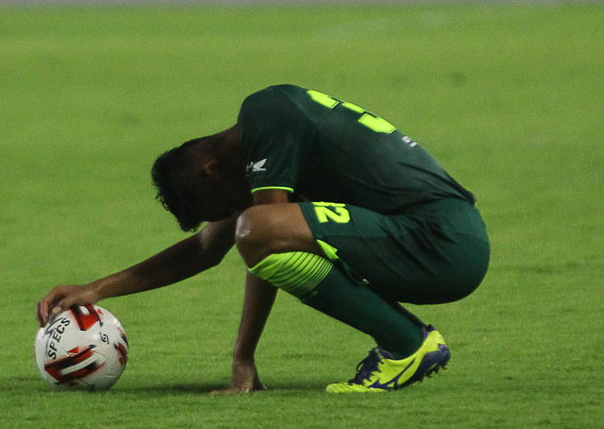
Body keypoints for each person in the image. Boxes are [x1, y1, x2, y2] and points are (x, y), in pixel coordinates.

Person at [37, 84, 489, 393]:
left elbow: (263, 235)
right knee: (257, 226)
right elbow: (202, 250)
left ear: (209, 171)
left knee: (258, 228)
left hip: (442, 239)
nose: (228, 220)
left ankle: (407, 345)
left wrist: (243, 356)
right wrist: (94, 289)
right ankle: (405, 342)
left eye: (216, 211)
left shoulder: (267, 114)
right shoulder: (258, 148)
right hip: (433, 239)